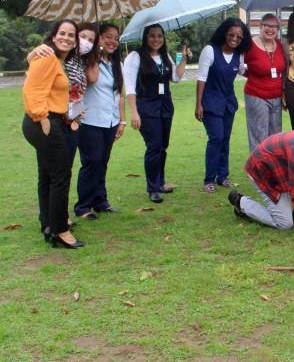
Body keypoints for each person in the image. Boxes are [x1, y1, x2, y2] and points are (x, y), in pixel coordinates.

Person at [22, 20, 84, 248]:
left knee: (48, 175)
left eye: (71, 35)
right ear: (54, 35)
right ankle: (60, 230)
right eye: (62, 33)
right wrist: (42, 117)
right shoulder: (47, 55)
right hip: (44, 121)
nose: (66, 38)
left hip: (52, 120)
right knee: (61, 175)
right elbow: (32, 88)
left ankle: (48, 223)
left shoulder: (58, 59)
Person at [124, 24, 190, 203]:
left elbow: (175, 78)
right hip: (146, 107)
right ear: (145, 37)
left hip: (165, 106)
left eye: (160, 36)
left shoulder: (165, 55)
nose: (156, 39)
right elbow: (129, 87)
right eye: (152, 36)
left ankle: (160, 182)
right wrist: (134, 113)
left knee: (163, 146)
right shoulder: (135, 57)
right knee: (153, 146)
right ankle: (152, 188)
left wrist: (183, 60)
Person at [195, 18, 251, 193]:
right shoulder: (210, 51)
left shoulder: (239, 54)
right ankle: (209, 179)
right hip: (210, 103)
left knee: (225, 139)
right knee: (216, 138)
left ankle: (223, 176)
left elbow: (244, 71)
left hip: (228, 103)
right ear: (224, 33)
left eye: (239, 37)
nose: (234, 39)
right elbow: (201, 78)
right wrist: (198, 104)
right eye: (231, 35)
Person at [76, 23, 126, 219]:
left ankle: (100, 200)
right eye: (108, 37)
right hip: (89, 120)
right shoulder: (86, 61)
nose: (113, 41)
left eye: (116, 38)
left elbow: (118, 94)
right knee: (92, 162)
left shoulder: (117, 64)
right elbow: (91, 79)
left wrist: (121, 121)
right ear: (98, 39)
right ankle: (83, 206)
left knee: (103, 161)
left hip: (109, 121)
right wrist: (94, 57)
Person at [244, 13, 285, 152]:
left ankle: (273, 168)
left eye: (274, 26)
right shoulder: (250, 45)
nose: (270, 29)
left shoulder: (279, 45)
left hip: (277, 97)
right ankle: (256, 170)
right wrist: (249, 74)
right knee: (259, 134)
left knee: (275, 135)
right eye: (267, 25)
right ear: (260, 26)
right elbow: (237, 65)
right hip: (257, 96)